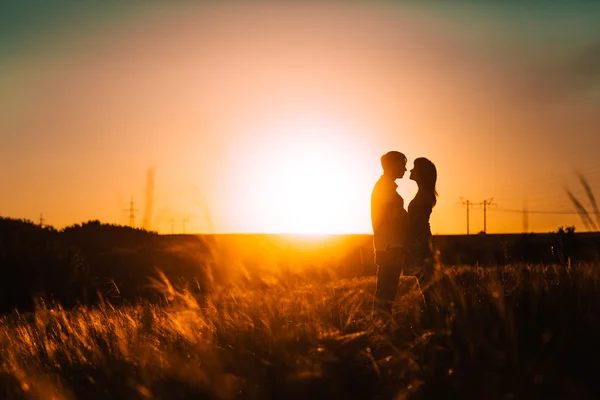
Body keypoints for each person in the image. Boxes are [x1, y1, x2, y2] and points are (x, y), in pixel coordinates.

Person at [371, 151, 408, 318]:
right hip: (390, 246)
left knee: (387, 291)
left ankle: (381, 326)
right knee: (386, 292)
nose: (405, 169)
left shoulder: (386, 187)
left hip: (389, 245)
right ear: (393, 165)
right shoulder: (385, 188)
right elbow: (391, 218)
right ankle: (381, 327)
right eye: (402, 164)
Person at [406, 157, 438, 291]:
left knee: (426, 286)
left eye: (414, 167)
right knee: (424, 284)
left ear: (421, 172)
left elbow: (417, 221)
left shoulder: (424, 195)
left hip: (419, 242)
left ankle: (432, 311)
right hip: (419, 240)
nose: (410, 169)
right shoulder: (423, 193)